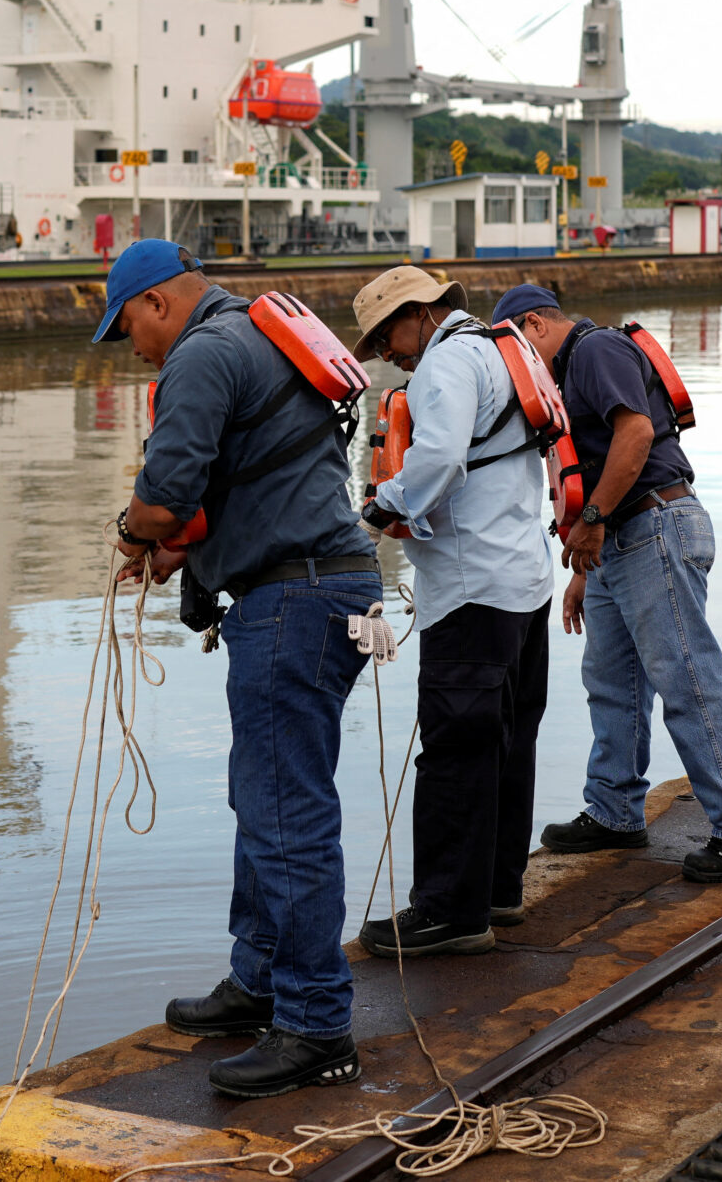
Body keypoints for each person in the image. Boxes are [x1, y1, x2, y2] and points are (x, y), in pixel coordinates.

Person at [96, 239, 382, 1099]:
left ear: (155, 303)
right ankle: (259, 982)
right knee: (264, 795)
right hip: (328, 587)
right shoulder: (254, 339)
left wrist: (132, 533)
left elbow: (166, 492)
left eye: (128, 331)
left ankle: (316, 1024)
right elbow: (263, 478)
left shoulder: (202, 353)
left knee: (284, 811)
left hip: (292, 603)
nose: (134, 349)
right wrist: (186, 559)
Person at [494, 283, 722, 883]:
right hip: (620, 539)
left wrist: (592, 522)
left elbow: (636, 436)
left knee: (687, 676)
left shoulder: (594, 350)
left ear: (534, 326)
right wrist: (584, 563)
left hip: (653, 524)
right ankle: (615, 811)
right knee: (611, 680)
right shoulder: (573, 365)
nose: (518, 367)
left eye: (514, 350)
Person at [349, 267, 557, 959]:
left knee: (454, 751)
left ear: (419, 313)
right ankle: (498, 889)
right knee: (507, 742)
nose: (388, 356)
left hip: (472, 591)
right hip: (523, 579)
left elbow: (437, 459)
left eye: (387, 337)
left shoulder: (444, 363)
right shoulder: (501, 347)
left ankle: (447, 911)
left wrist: (377, 511)